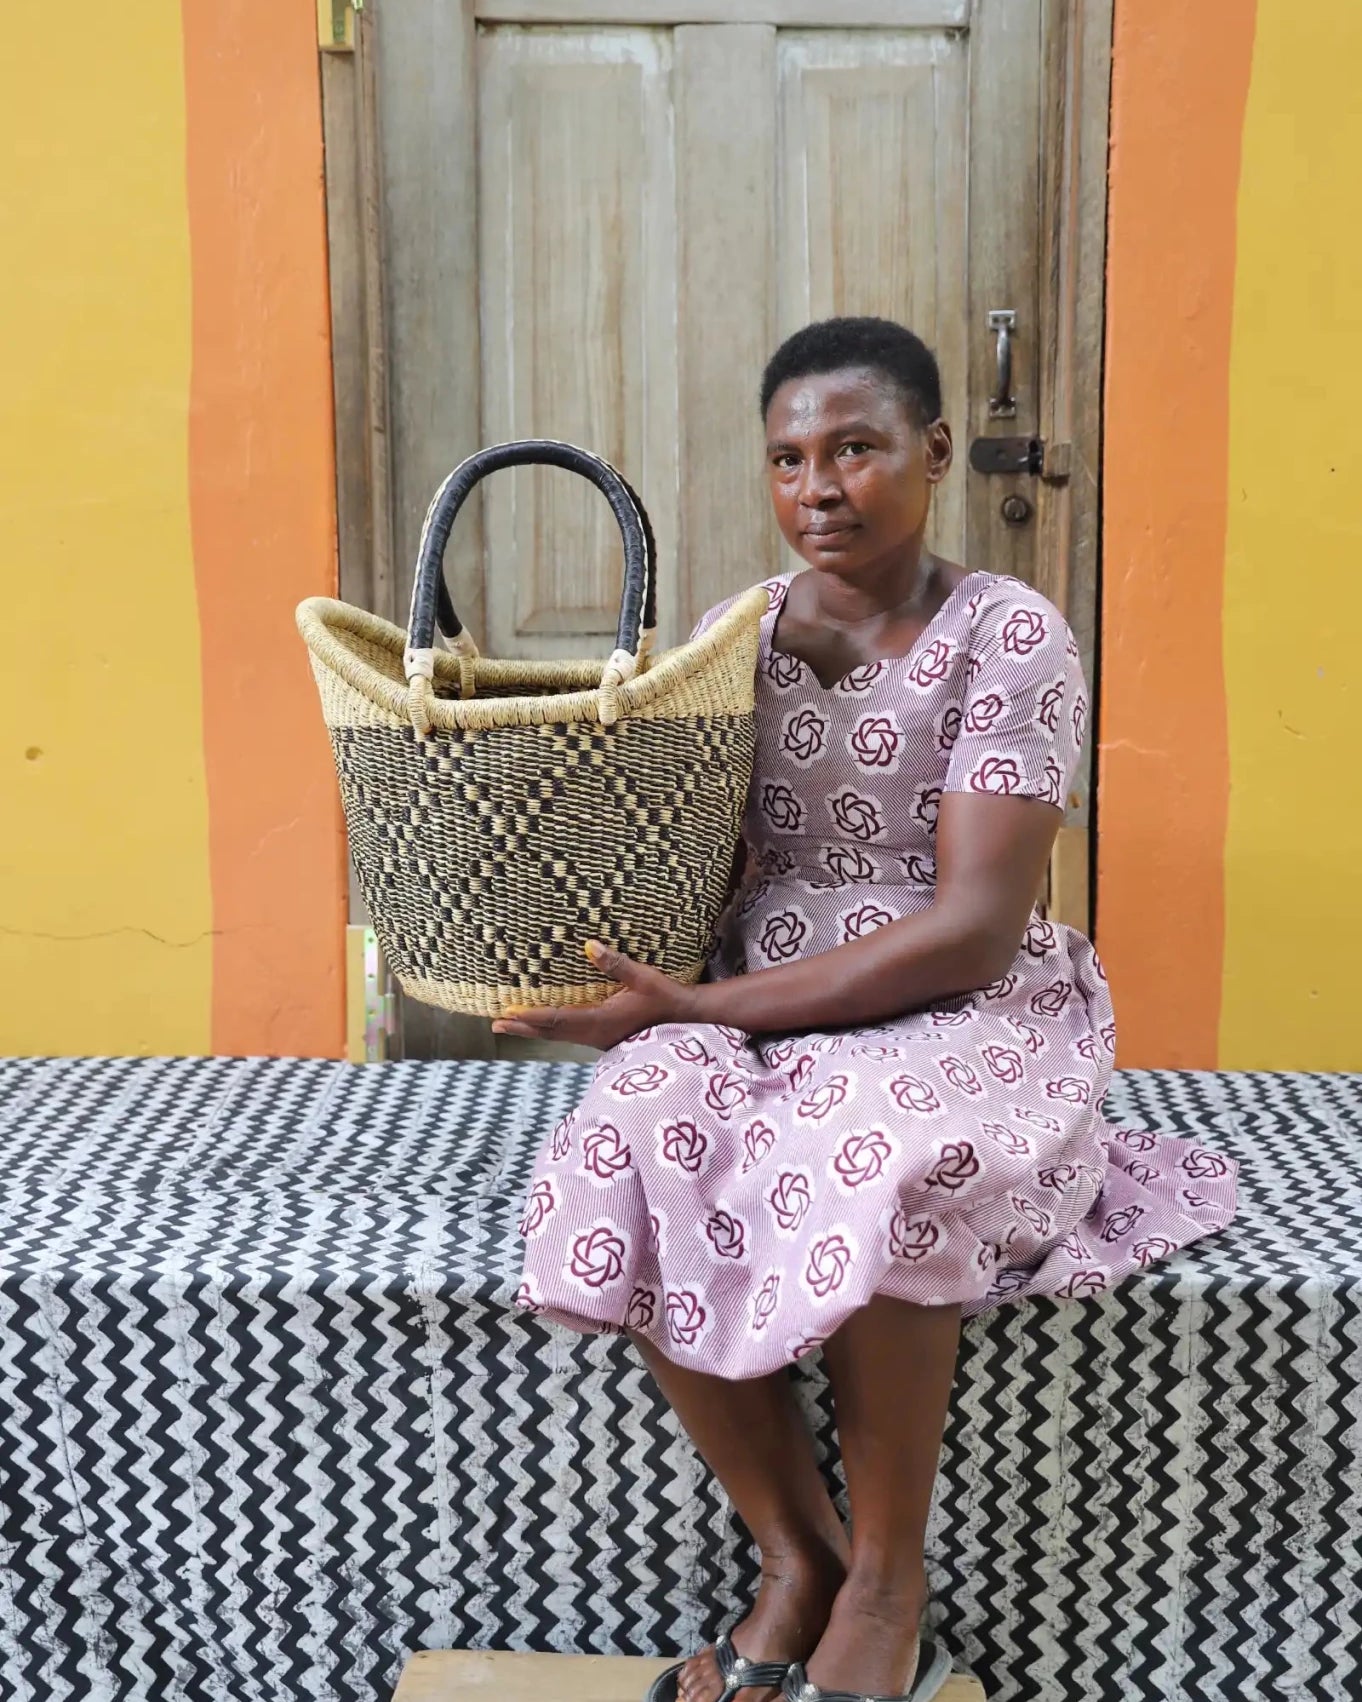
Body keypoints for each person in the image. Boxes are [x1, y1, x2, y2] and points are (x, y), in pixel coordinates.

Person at [494, 317, 1239, 1702]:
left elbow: (968, 930)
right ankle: (799, 1557)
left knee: (879, 1144)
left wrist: (712, 999)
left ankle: (891, 1580)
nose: (817, 486)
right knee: (637, 1127)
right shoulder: (740, 634)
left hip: (960, 999)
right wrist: (609, 968)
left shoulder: (1008, 634)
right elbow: (674, 853)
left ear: (933, 454)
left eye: (854, 448)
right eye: (787, 458)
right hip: (756, 985)